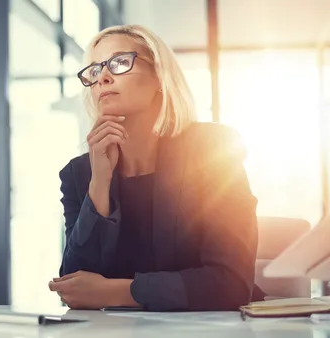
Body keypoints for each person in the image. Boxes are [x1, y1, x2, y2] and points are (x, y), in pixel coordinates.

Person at [48, 24, 261, 311]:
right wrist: (100, 182)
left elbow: (231, 283)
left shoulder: (213, 149)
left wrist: (119, 292)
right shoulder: (79, 174)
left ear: (159, 75)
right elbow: (74, 286)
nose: (104, 78)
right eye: (95, 70)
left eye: (120, 62)